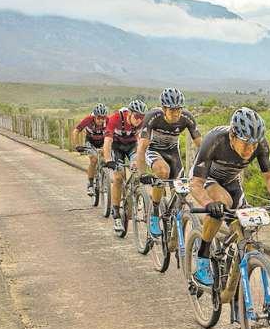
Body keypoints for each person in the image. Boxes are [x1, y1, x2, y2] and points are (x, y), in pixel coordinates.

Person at [189, 107, 270, 286]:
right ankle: (203, 257)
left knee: (248, 227)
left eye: (254, 144)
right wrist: (208, 203)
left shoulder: (260, 144)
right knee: (222, 203)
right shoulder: (215, 140)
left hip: (231, 181)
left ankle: (235, 276)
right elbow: (195, 184)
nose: (250, 149)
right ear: (232, 136)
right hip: (207, 178)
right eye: (246, 143)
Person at [136, 88, 201, 236]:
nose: (176, 113)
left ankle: (174, 225)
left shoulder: (187, 118)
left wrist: (202, 172)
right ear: (164, 109)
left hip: (173, 153)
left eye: (179, 109)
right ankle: (154, 213)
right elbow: (141, 148)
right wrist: (142, 173)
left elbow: (201, 146)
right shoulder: (153, 117)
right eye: (172, 110)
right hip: (153, 150)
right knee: (163, 171)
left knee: (180, 191)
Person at [103, 100, 147, 232]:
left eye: (142, 117)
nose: (139, 120)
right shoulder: (116, 119)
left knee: (137, 168)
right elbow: (107, 142)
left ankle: (136, 193)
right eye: (137, 116)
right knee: (118, 177)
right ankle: (116, 213)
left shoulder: (142, 122)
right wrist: (108, 160)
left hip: (131, 146)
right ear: (129, 113)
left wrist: (139, 161)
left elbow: (142, 142)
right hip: (116, 147)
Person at [73, 103, 109, 196]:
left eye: (103, 118)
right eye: (99, 118)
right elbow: (76, 131)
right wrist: (77, 145)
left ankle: (105, 178)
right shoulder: (88, 119)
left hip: (103, 141)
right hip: (90, 141)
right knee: (93, 160)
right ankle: (90, 184)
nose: (101, 120)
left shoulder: (108, 121)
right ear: (94, 116)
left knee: (106, 158)